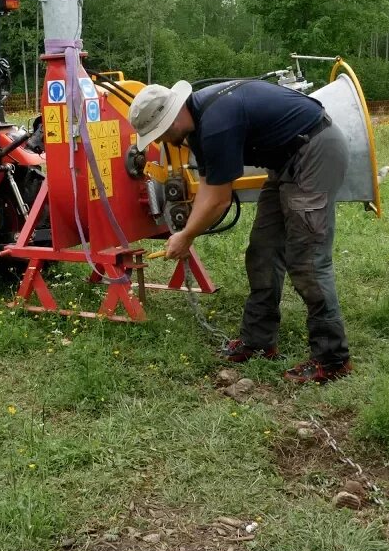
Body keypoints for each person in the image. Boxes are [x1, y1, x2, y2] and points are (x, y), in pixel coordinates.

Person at [128, 78, 353, 384]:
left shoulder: (216, 122)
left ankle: (333, 358)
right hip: (285, 161)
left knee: (307, 258)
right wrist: (186, 232)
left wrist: (186, 235)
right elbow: (210, 188)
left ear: (173, 116)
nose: (164, 140)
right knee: (263, 250)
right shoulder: (198, 125)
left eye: (162, 132)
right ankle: (259, 341)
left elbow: (219, 200)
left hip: (314, 152)